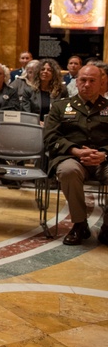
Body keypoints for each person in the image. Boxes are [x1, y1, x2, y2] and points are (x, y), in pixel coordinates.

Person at [45, 64, 108, 246]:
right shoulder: (60, 106)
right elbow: (50, 137)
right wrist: (75, 150)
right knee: (68, 171)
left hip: (103, 160)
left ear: (101, 82)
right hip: (72, 158)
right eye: (83, 80)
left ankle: (107, 228)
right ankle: (79, 224)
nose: (86, 84)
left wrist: (104, 155)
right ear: (76, 81)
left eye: (92, 81)